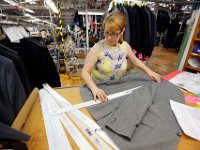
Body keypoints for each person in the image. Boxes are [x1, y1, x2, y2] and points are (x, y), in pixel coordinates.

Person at [81, 11, 161, 102]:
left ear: (122, 31)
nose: (110, 37)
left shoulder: (125, 46)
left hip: (118, 86)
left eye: (115, 34)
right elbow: (85, 72)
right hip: (99, 87)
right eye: (107, 32)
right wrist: (94, 88)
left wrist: (149, 72)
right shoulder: (98, 48)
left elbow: (135, 60)